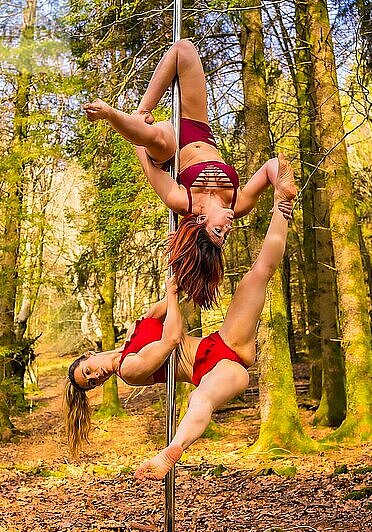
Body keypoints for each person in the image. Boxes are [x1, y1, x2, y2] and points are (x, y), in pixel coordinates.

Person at [64, 154, 296, 480]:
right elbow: (172, 337)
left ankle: (282, 206)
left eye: (88, 370)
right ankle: (171, 453)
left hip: (219, 344)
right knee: (201, 398)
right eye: (92, 383)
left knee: (258, 275)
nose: (96, 375)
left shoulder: (132, 336)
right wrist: (172, 297)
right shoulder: (129, 370)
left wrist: (184, 277)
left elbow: (160, 309)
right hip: (214, 369)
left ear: (89, 356)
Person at [84, 40, 292, 308]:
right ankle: (142, 111)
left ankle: (111, 114)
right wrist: (279, 191)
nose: (228, 227)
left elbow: (149, 169)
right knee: (184, 50)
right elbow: (271, 165)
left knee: (161, 143)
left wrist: (136, 136)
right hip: (198, 129)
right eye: (226, 234)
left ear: (203, 221)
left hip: (171, 149)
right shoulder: (238, 204)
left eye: (219, 230)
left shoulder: (184, 202)